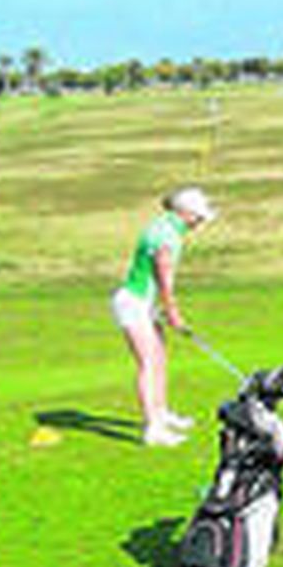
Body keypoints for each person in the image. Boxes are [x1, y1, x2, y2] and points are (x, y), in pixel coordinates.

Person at [111, 187, 217, 446]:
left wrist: (161, 308)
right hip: (133, 303)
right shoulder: (166, 235)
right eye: (198, 217)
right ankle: (153, 429)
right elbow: (163, 278)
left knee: (159, 356)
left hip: (144, 302)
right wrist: (172, 311)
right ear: (185, 213)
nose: (200, 223)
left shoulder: (167, 226)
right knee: (147, 362)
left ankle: (162, 413)